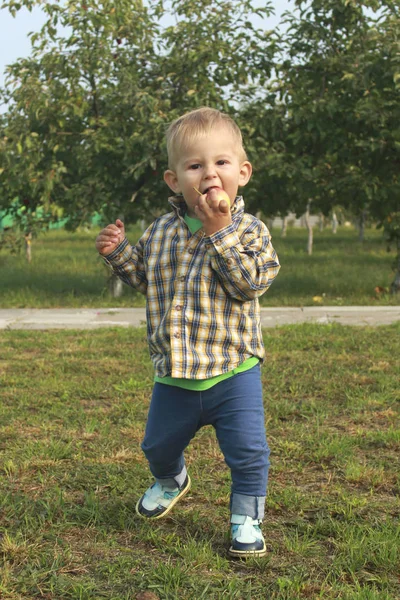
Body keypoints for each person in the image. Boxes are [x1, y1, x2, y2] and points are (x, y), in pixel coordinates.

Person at [95, 107, 280, 558]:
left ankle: (246, 517)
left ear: (243, 171)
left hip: (233, 372)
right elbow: (145, 276)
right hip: (174, 374)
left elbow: (250, 283)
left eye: (220, 162)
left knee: (249, 452)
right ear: (175, 180)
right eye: (195, 165)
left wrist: (219, 233)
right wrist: (119, 253)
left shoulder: (250, 231)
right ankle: (170, 478)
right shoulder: (161, 231)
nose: (210, 173)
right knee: (156, 445)